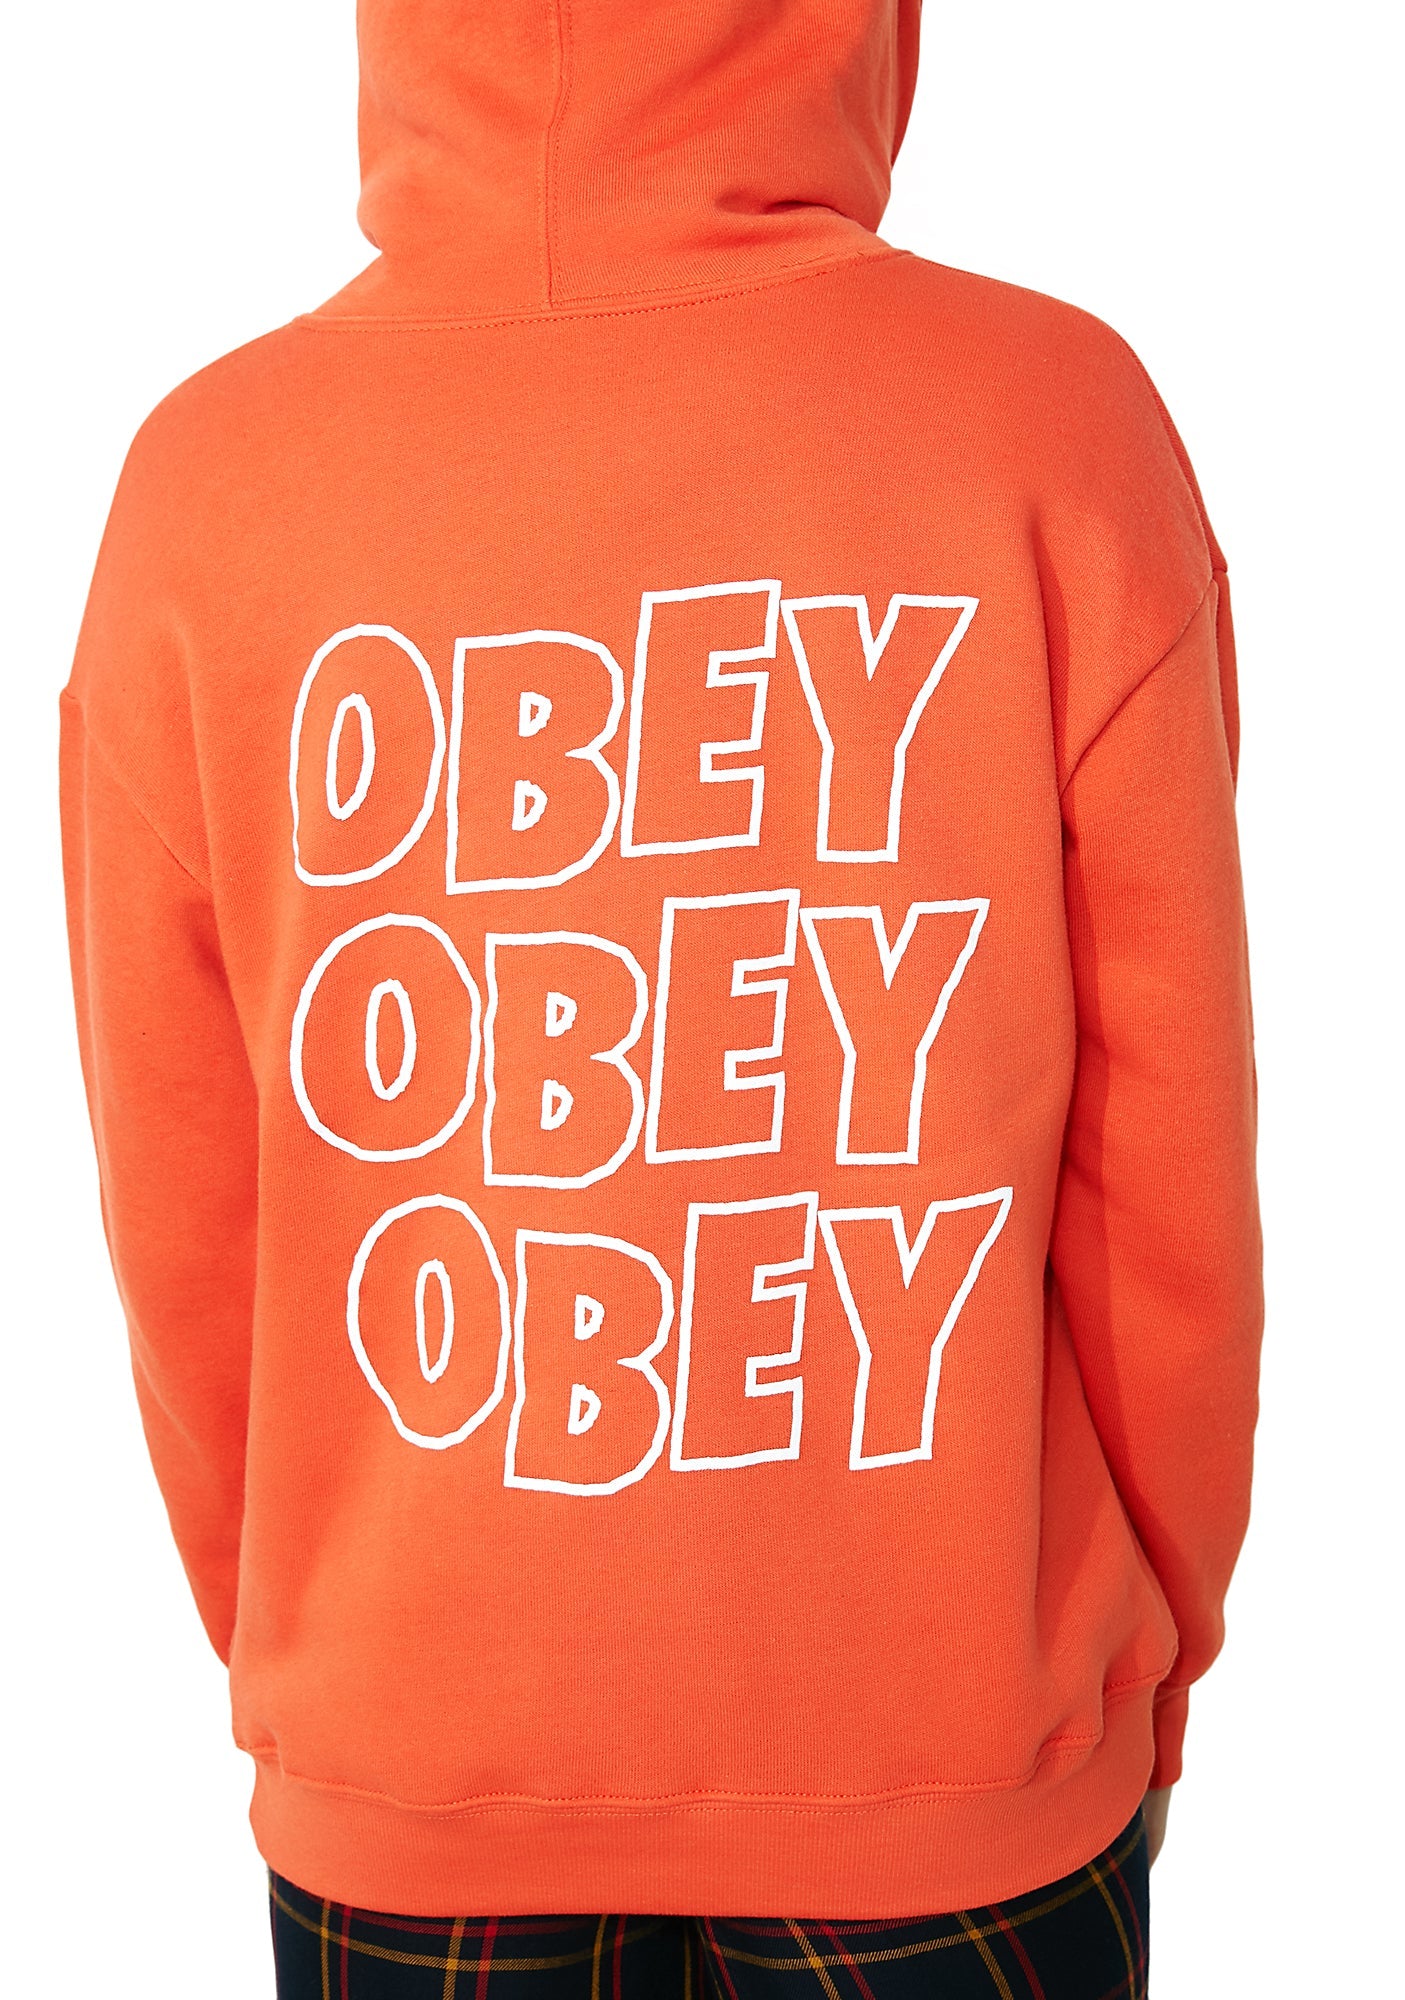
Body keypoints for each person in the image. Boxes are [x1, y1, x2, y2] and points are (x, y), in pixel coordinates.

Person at [60, 1, 1262, 1993]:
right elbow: (1170, 1178)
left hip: (405, 1762)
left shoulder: (206, 482)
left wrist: (329, 1671)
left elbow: (190, 1226)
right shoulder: (1045, 421)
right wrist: (1146, 1664)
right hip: (961, 1758)